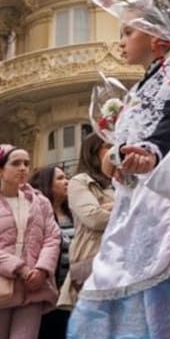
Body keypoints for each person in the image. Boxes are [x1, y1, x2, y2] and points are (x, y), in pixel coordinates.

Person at [67, 0, 170, 339]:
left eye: (127, 31)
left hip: (165, 208)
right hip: (134, 209)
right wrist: (115, 158)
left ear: (155, 35)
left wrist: (144, 154)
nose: (120, 42)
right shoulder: (142, 86)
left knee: (164, 307)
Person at [0, 144, 61, 339]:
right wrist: (21, 269)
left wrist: (42, 269)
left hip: (33, 288)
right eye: (16, 163)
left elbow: (52, 237)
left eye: (26, 163)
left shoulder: (40, 202)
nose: (23, 168)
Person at [58, 133, 115, 310]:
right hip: (93, 260)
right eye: (108, 146)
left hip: (124, 261)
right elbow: (94, 218)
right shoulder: (80, 181)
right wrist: (125, 207)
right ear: (93, 152)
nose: (115, 150)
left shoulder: (123, 180)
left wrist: (110, 206)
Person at [29, 165, 73, 339]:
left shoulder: (73, 213)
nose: (66, 182)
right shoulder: (37, 215)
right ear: (47, 184)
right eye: (60, 178)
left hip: (74, 293)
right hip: (49, 297)